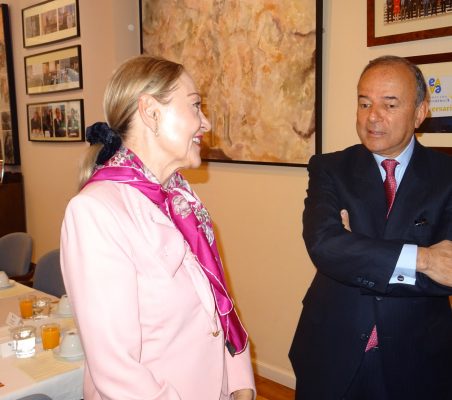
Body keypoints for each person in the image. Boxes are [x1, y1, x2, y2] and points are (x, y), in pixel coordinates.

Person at [60, 56, 255, 400]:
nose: (206, 123)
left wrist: (240, 383)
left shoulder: (181, 200)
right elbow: (116, 371)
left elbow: (216, 302)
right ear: (151, 112)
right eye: (195, 106)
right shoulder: (95, 212)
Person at [289, 55, 452, 399]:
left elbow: (448, 272)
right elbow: (324, 245)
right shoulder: (330, 168)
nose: (373, 116)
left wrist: (355, 249)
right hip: (332, 347)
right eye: (364, 103)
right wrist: (422, 258)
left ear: (420, 112)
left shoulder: (446, 176)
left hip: (418, 356)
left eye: (389, 104)